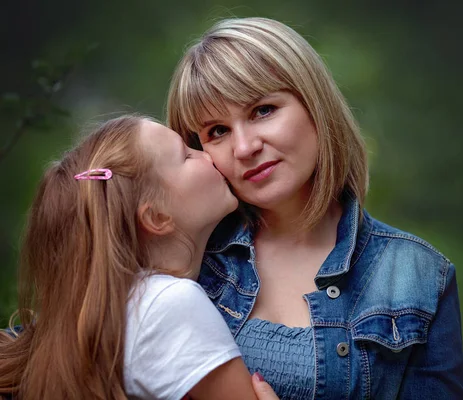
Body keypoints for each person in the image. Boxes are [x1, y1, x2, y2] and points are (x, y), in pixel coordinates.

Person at [167, 17, 463, 399]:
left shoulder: (417, 276)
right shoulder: (184, 264)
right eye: (217, 131)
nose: (244, 148)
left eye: (262, 110)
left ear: (315, 105)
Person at [0, 115, 278, 400]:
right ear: (156, 217)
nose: (207, 155)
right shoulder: (171, 304)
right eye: (186, 155)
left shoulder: (104, 309)